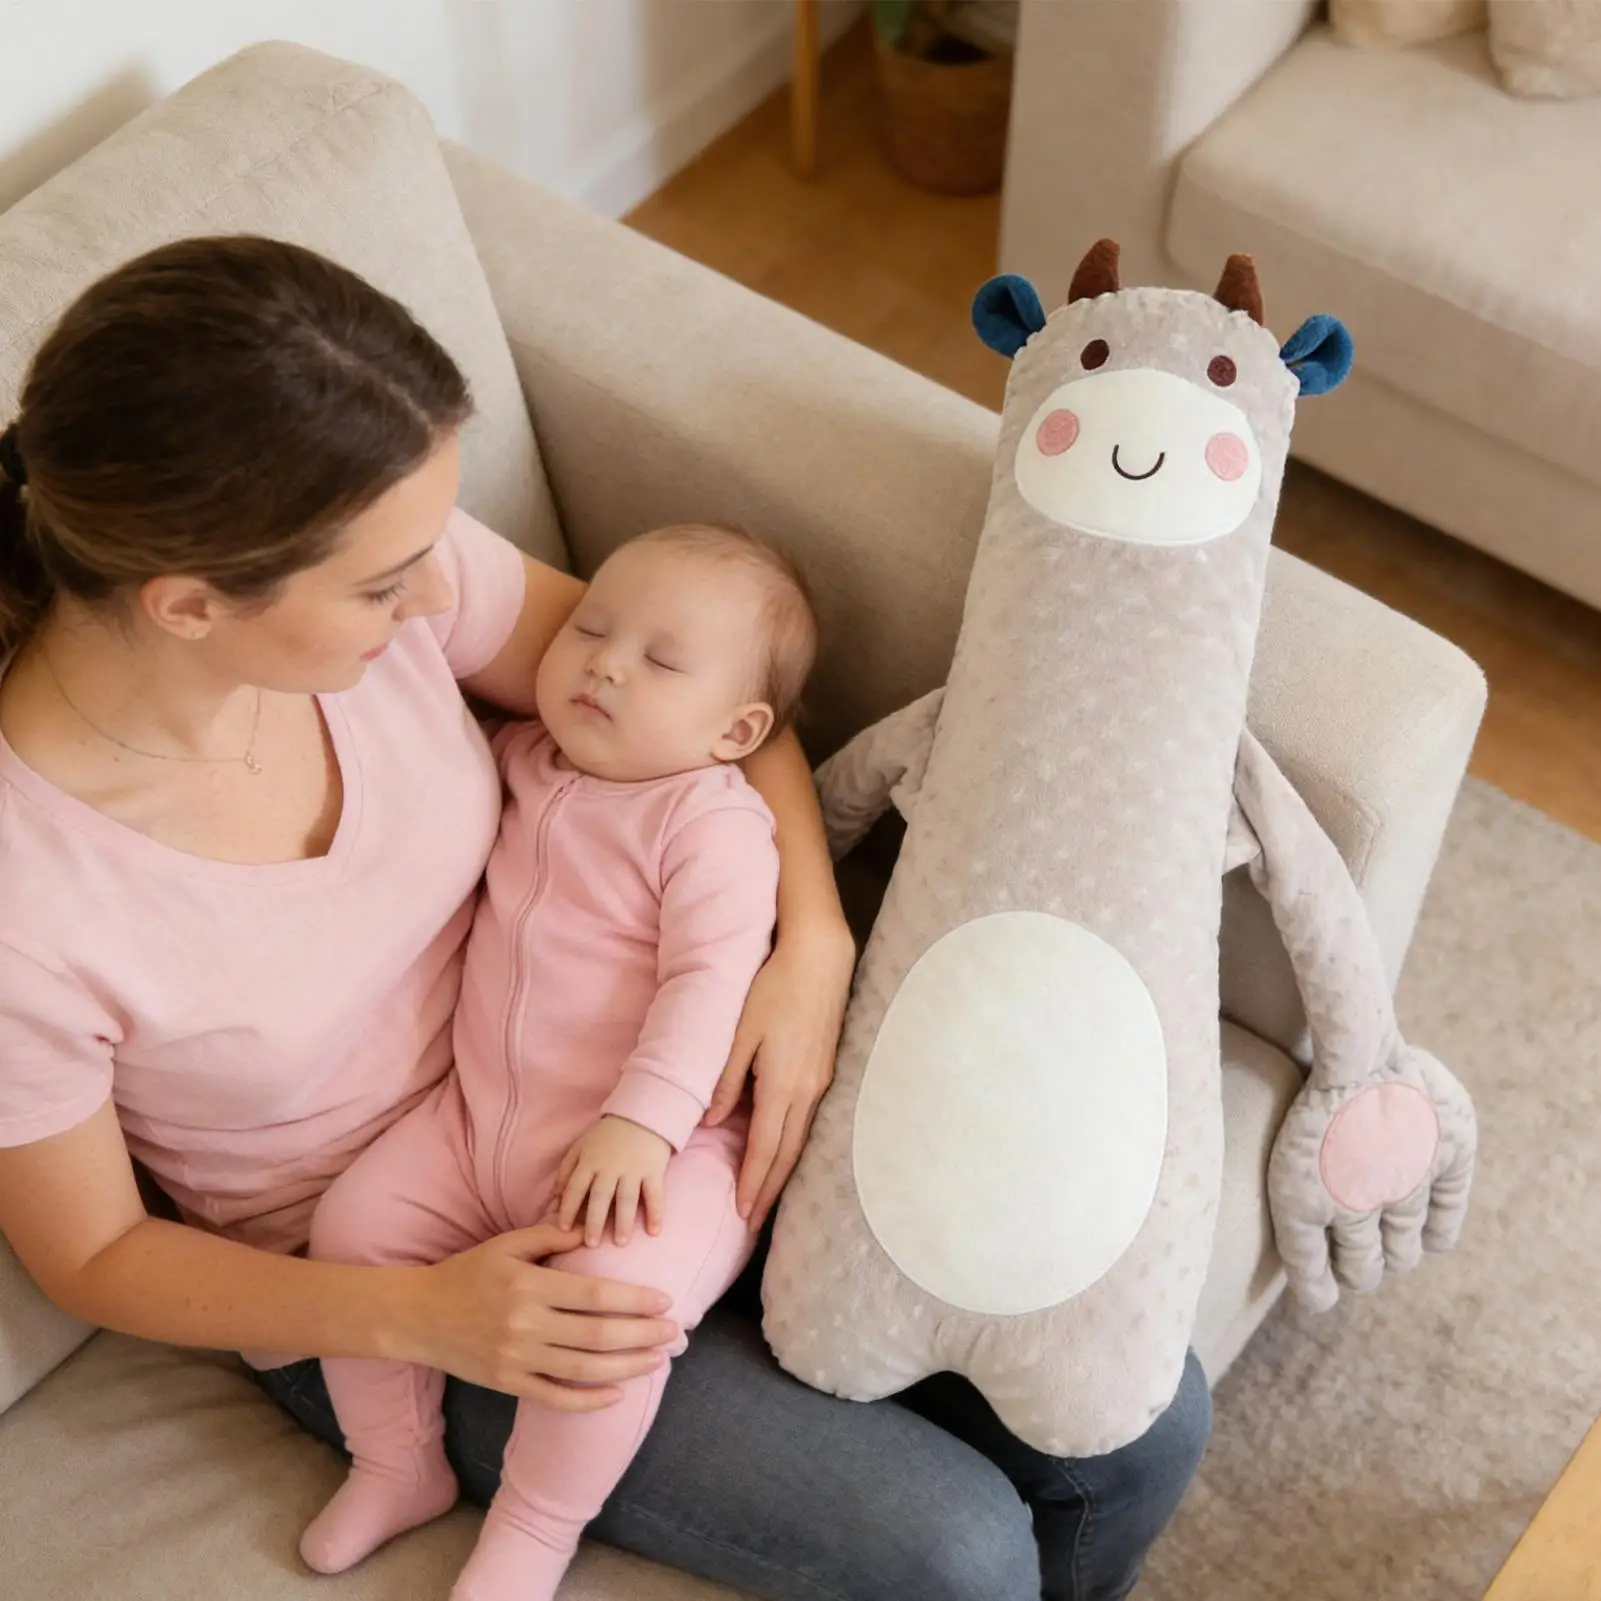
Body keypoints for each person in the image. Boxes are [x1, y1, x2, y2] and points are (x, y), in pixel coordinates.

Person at [0, 234, 1210, 1601]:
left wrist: (808, 942)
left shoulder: (393, 565)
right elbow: (93, 1252)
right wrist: (422, 1314)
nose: (439, 596)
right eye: (388, 583)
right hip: (398, 1272)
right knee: (954, 1550)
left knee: (1142, 1412)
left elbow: (710, 718)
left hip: (637, 1081)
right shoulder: (26, 901)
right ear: (190, 606)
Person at [301, 523, 814, 1601]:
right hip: (475, 1122)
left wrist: (644, 1119)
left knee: (610, 1315)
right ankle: (397, 1461)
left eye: (659, 659)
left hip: (655, 1150)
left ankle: (535, 1530)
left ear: (738, 729)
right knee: (349, 1229)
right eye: (588, 626)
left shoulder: (711, 822)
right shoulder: (520, 758)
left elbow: (710, 983)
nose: (605, 660)